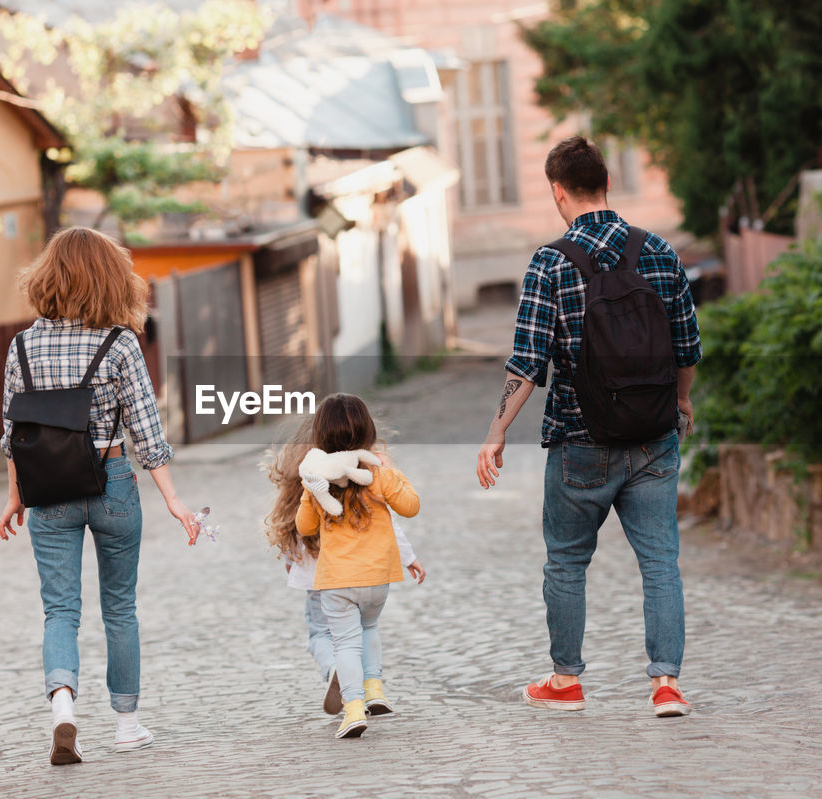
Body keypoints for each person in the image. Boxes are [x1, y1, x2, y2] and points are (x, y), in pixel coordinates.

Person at [475, 136, 702, 717]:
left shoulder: (550, 262)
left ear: (558, 192)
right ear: (606, 184)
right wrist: (681, 401)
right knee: (660, 563)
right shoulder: (658, 252)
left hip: (581, 442)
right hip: (654, 437)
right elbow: (687, 345)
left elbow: (528, 361)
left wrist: (496, 431)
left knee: (567, 563)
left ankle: (566, 681)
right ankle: (667, 686)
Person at [0, 226, 200, 765]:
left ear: (48, 276)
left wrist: (15, 496)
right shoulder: (121, 342)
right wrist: (174, 502)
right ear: (110, 278)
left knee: (59, 610)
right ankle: (127, 724)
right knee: (119, 607)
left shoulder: (22, 346)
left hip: (49, 492)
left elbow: (14, 434)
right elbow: (147, 431)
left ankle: (63, 710)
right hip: (112, 483)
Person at [265, 419, 426, 717]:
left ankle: (335, 669)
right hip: (363, 576)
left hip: (322, 580)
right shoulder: (368, 478)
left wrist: (290, 561)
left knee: (321, 636)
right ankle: (368, 685)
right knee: (365, 628)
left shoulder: (311, 483)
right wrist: (409, 557)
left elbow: (297, 526)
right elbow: (391, 523)